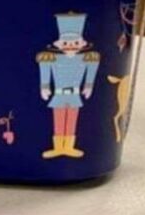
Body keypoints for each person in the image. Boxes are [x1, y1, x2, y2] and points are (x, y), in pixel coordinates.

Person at [37, 13, 100, 159]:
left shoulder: (85, 58)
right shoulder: (52, 58)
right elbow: (45, 68)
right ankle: (59, 148)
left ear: (81, 44)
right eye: (66, 43)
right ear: (59, 44)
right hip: (59, 94)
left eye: (75, 43)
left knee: (72, 119)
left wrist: (89, 85)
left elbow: (92, 68)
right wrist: (44, 87)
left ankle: (69, 147)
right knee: (59, 120)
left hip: (74, 94)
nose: (71, 46)